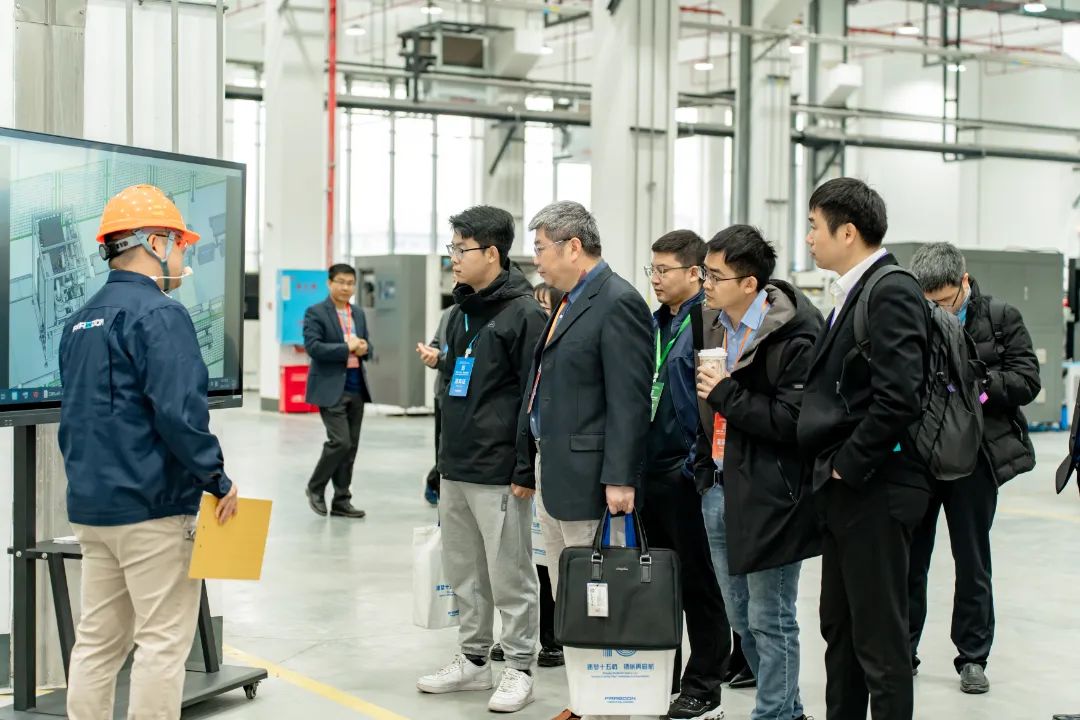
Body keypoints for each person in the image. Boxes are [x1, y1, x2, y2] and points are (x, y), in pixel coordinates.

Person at [57, 184, 240, 720]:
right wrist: (218, 480)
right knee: (161, 642)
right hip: (153, 509)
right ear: (156, 242)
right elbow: (180, 415)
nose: (182, 260)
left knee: (97, 642)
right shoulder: (162, 314)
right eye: (180, 246)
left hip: (93, 509)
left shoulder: (79, 321)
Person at [797, 178, 931, 720]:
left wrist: (845, 468)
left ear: (847, 232)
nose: (809, 238)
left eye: (814, 226)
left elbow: (900, 397)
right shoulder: (852, 291)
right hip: (850, 492)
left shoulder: (890, 289)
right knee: (842, 629)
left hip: (876, 488)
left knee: (879, 640)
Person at [515, 201, 653, 720]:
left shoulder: (617, 301)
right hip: (556, 472)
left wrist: (620, 477)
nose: (536, 260)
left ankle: (607, 706)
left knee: (599, 594)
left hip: (593, 480)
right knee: (570, 593)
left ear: (573, 247)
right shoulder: (568, 301)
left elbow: (629, 399)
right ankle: (584, 699)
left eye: (540, 248)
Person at [414, 206, 546, 714]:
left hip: (499, 470)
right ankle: (474, 658)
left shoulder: (525, 314)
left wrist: (524, 465)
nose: (453, 257)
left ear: (492, 253)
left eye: (460, 248)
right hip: (457, 465)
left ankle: (520, 666)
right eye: (452, 247)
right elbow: (452, 388)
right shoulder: (458, 313)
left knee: (510, 573)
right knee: (464, 570)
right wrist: (440, 462)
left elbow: (534, 397)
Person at [694, 226, 823, 720]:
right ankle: (789, 710)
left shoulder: (796, 334)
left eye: (715, 276)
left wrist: (726, 392)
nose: (705, 283)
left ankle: (773, 715)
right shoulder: (712, 323)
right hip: (719, 485)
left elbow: (792, 421)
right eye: (705, 272)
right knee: (741, 616)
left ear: (749, 283)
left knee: (771, 617)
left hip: (772, 493)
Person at [906, 242, 1041, 694]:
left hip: (975, 460)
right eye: (929, 303)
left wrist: (978, 384)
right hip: (921, 456)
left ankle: (973, 657)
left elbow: (1027, 380)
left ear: (964, 282)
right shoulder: (913, 316)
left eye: (945, 301)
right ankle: (903, 649)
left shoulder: (1000, 317)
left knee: (972, 560)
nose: (938, 310)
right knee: (909, 559)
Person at [641, 230, 729, 719]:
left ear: (694, 273)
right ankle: (663, 677)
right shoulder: (654, 321)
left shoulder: (707, 323)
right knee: (659, 581)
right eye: (651, 269)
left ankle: (704, 683)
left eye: (663, 270)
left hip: (688, 472)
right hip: (649, 470)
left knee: (699, 581)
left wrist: (695, 461)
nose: (655, 278)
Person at [303, 263, 371, 519]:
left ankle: (342, 500)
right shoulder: (316, 312)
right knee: (340, 442)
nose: (345, 287)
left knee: (350, 448)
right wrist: (347, 347)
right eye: (341, 282)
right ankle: (315, 487)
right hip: (330, 387)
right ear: (329, 283)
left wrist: (364, 347)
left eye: (350, 283)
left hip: (356, 386)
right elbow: (314, 348)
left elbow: (366, 346)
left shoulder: (358, 313)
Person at [419, 305, 455, 507]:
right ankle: (437, 485)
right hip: (443, 392)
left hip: (467, 394)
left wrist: (439, 359)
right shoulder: (449, 313)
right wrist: (430, 354)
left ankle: (435, 482)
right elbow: (437, 344)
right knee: (442, 448)